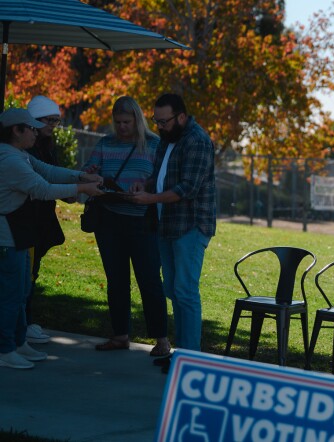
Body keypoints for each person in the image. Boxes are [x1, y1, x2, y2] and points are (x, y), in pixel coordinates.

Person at [0, 108, 103, 370]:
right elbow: (42, 188)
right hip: (7, 237)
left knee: (21, 290)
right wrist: (82, 188)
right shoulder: (9, 160)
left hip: (18, 234)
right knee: (11, 295)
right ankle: (5, 348)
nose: (36, 132)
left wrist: (80, 175)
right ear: (16, 130)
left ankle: (18, 341)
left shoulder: (19, 155)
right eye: (31, 128)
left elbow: (48, 171)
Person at [130, 93, 216, 371]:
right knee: (173, 290)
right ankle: (182, 355)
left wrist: (151, 199)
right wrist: (145, 184)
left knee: (185, 291)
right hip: (166, 224)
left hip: (190, 225)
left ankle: (191, 360)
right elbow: (161, 175)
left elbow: (187, 188)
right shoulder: (168, 139)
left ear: (181, 117)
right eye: (156, 121)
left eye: (163, 121)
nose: (159, 127)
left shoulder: (197, 141)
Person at [84, 96, 169, 357]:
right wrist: (94, 173)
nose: (121, 127)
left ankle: (162, 339)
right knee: (116, 280)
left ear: (137, 119)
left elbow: (164, 179)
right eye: (117, 122)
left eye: (126, 122)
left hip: (142, 220)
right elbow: (87, 171)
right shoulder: (105, 143)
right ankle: (120, 334)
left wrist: (145, 185)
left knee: (150, 281)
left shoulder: (154, 144)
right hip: (109, 218)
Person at [23, 95, 68, 345]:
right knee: (22, 274)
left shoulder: (48, 147)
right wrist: (77, 186)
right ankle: (21, 324)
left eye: (56, 120)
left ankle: (24, 322)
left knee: (31, 272)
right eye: (49, 120)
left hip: (41, 220)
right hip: (25, 220)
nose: (53, 125)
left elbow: (53, 175)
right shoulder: (23, 152)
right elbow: (43, 184)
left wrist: (78, 181)